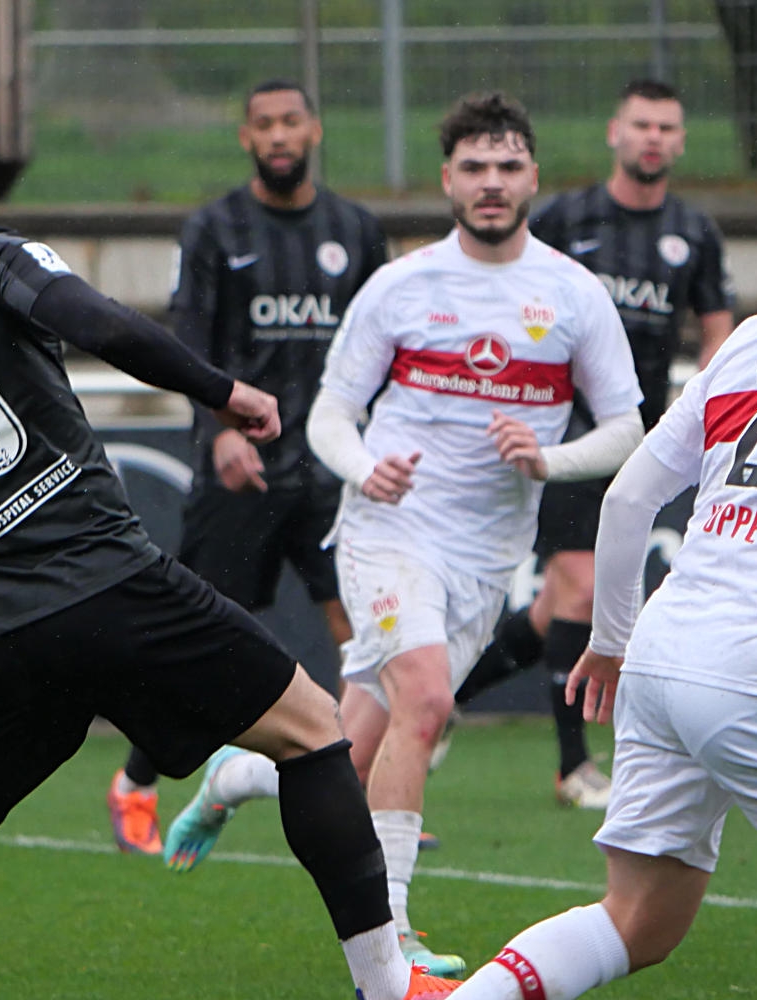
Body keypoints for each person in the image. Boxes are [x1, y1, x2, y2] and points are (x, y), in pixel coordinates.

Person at [0, 129, 459, 1000]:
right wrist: (223, 392)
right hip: (105, 583)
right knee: (313, 731)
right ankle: (388, 985)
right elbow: (100, 322)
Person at [161, 92, 644, 979]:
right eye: (474, 168)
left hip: (486, 554)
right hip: (388, 530)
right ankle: (392, 939)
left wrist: (548, 459)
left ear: (533, 177)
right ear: (447, 180)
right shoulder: (402, 286)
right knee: (425, 702)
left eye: (507, 167)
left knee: (349, 758)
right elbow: (331, 417)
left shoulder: (574, 294)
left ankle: (235, 778)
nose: (491, 183)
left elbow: (626, 429)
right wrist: (363, 468)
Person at [450, 148, 757, 1000]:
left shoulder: (755, 334)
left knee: (637, 920)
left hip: (660, 649)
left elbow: (627, 499)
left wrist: (612, 641)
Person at [106, 78, 388, 857]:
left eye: (291, 121)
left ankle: (369, 790)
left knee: (364, 636)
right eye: (264, 124)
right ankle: (134, 783)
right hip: (243, 471)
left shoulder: (356, 231)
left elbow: (381, 344)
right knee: (198, 647)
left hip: (331, 473)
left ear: (315, 130)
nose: (279, 135)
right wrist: (219, 431)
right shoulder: (214, 229)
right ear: (246, 137)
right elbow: (187, 343)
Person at [456, 79, 735, 810]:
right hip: (560, 433)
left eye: (666, 127)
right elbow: (509, 292)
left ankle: (445, 699)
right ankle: (573, 765)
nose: (653, 138)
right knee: (581, 586)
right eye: (641, 124)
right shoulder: (565, 217)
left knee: (555, 606)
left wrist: (702, 402)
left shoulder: (693, 232)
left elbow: (717, 328)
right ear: (616, 132)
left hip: (639, 438)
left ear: (680, 141)